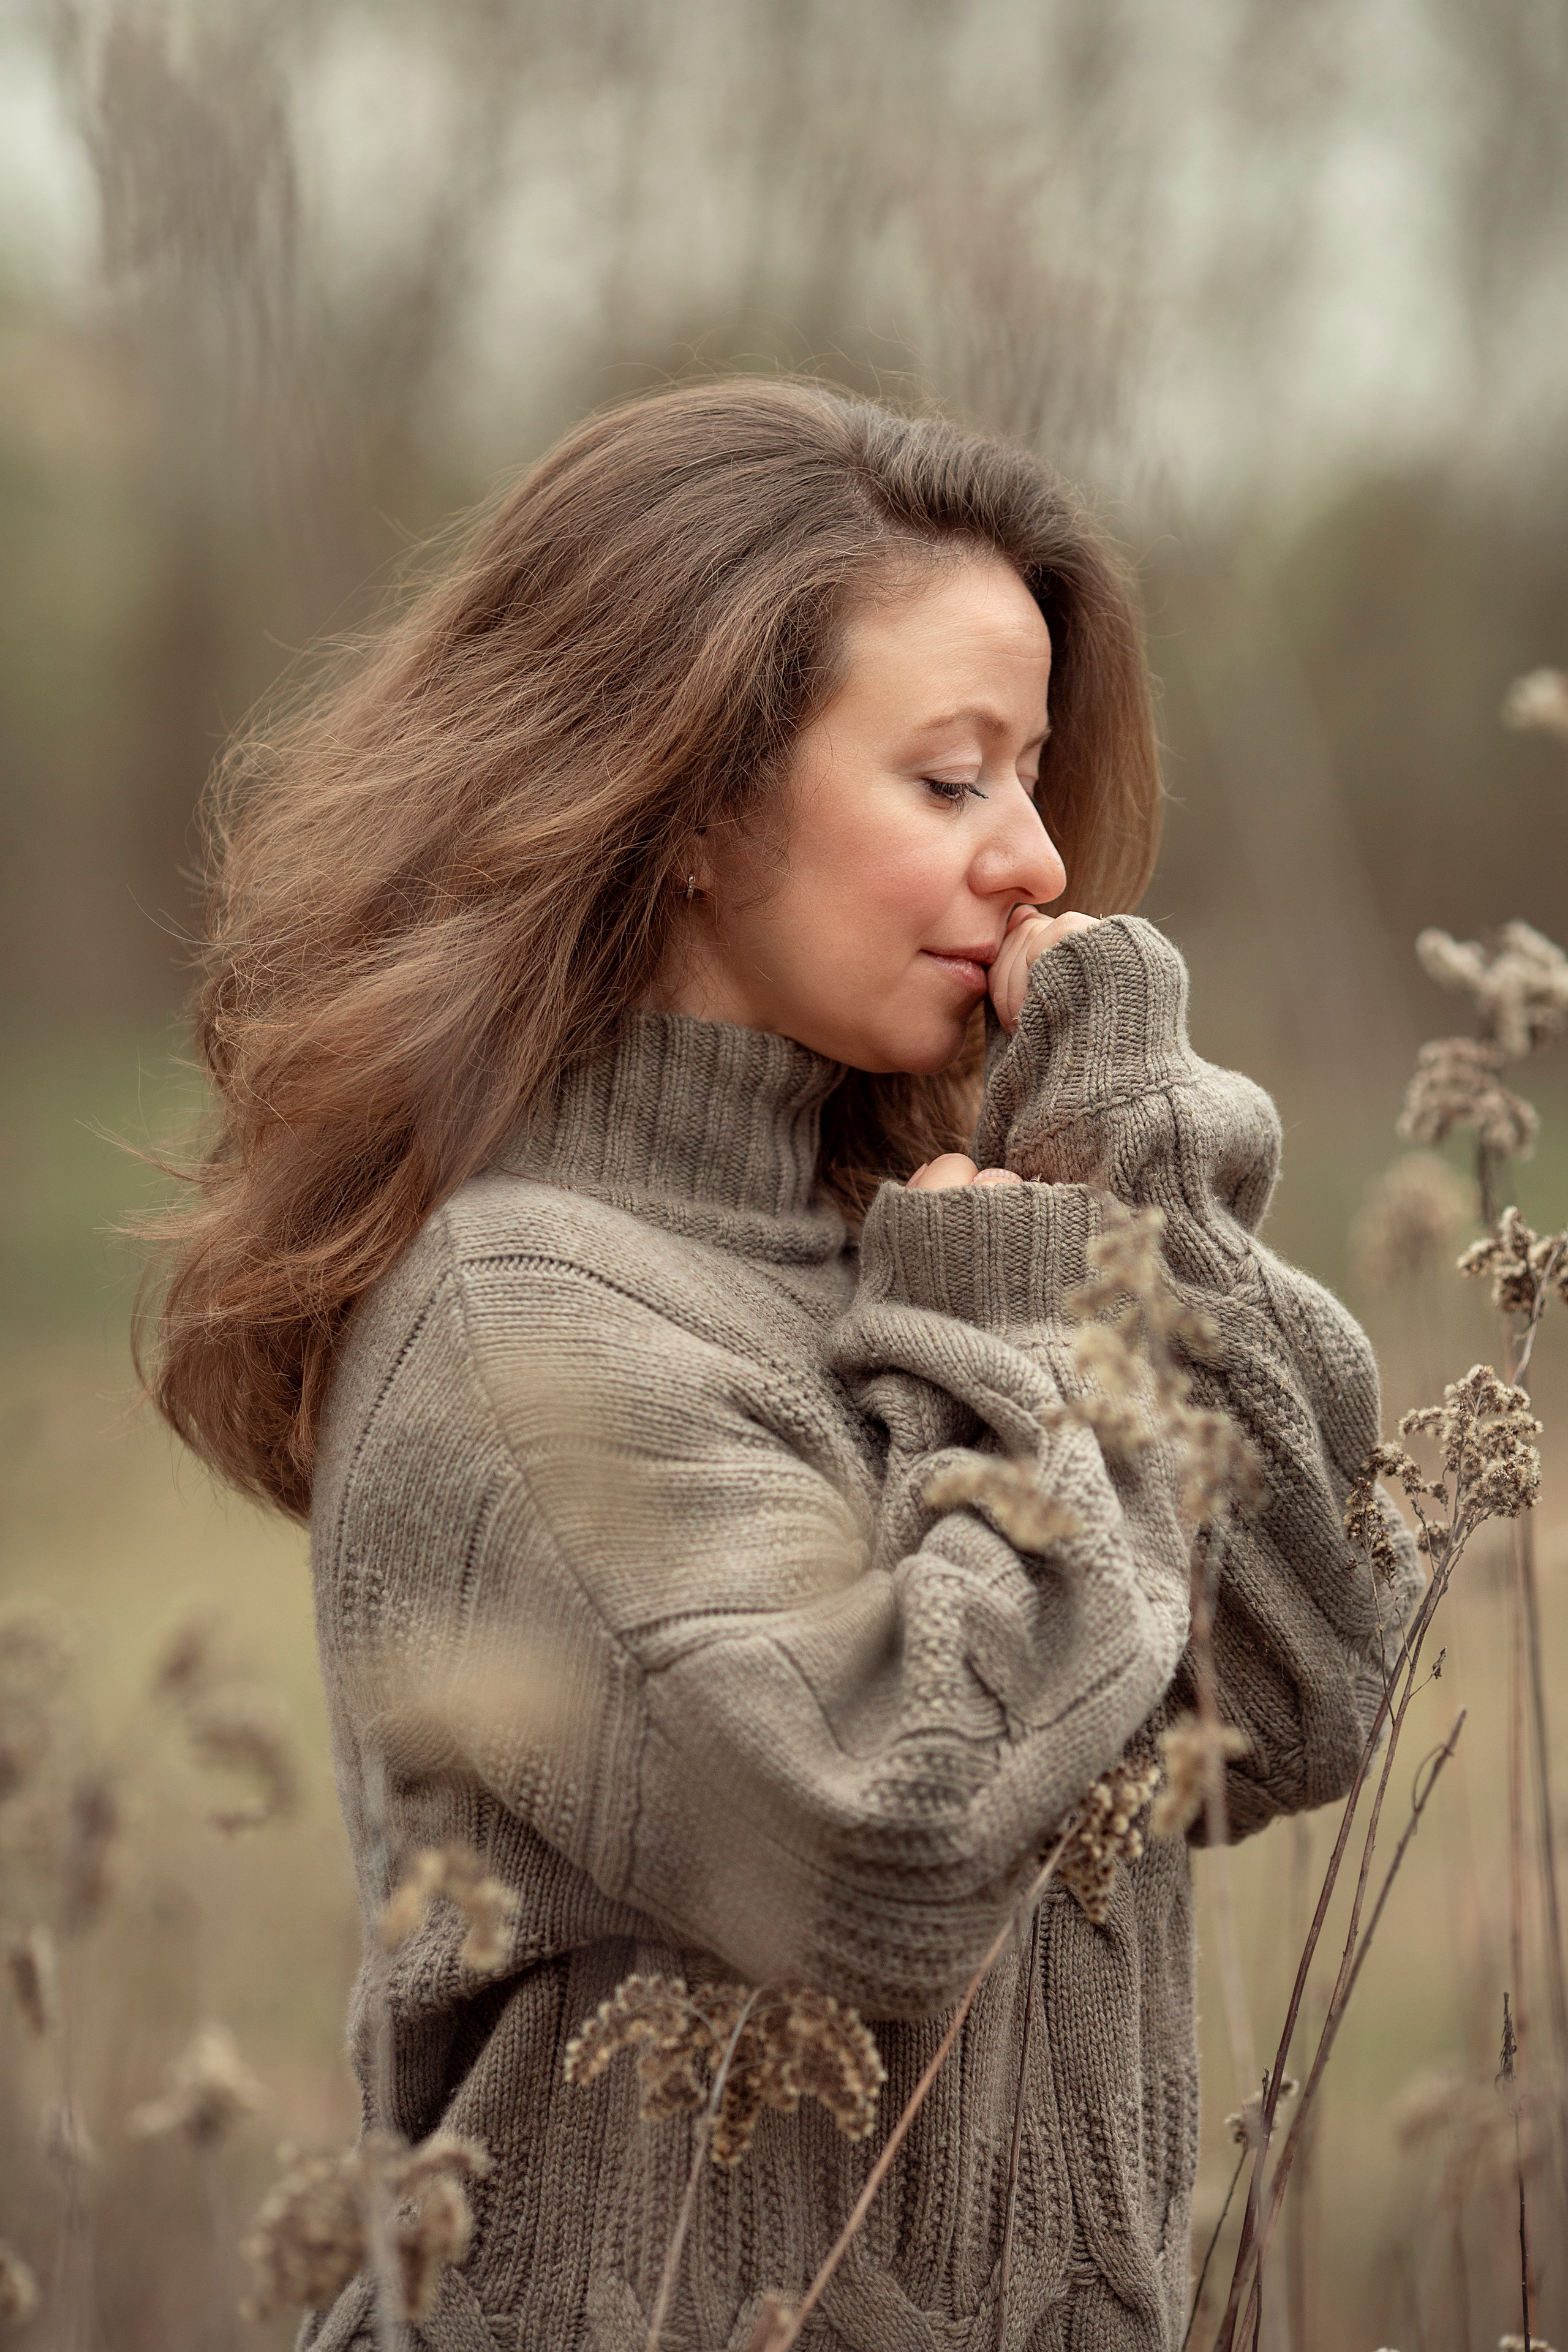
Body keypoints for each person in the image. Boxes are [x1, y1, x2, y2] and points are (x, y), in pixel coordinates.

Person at [146, 378, 1414, 2351]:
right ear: (696, 810)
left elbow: (1302, 1689)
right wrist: (1021, 1328)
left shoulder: (919, 1253)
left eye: (1035, 779)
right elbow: (886, 1844)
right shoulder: (526, 1324)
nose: (1036, 864)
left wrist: (1137, 1198)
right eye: (950, 780)